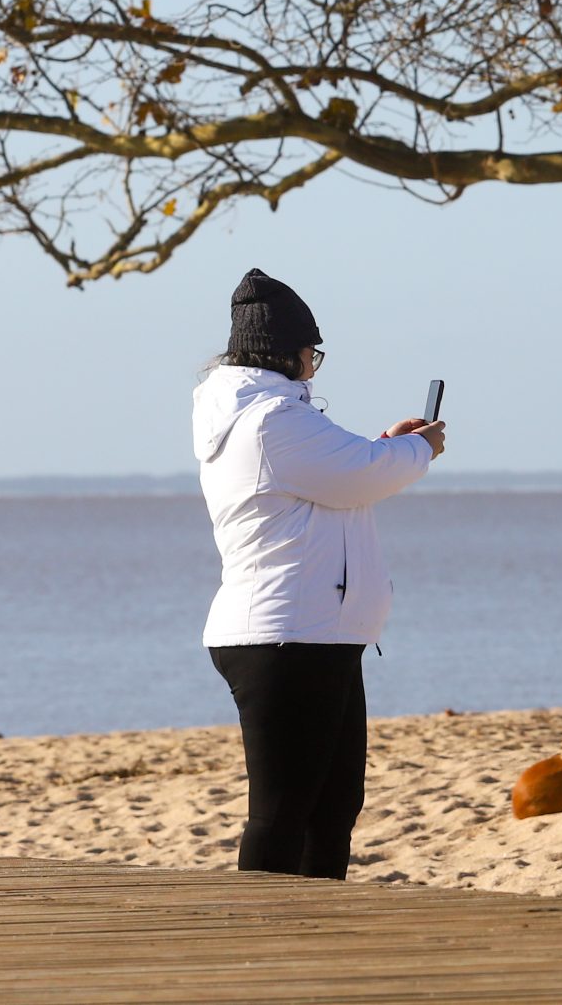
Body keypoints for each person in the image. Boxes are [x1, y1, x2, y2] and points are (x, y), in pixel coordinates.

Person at [193, 268, 445, 878]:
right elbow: (358, 474)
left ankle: (314, 924)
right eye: (313, 351)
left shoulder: (269, 417)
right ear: (287, 352)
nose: (315, 364)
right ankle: (260, 928)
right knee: (283, 811)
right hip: (288, 634)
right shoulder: (271, 420)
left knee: (332, 808)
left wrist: (387, 445)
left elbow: (343, 475)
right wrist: (419, 449)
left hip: (313, 633)